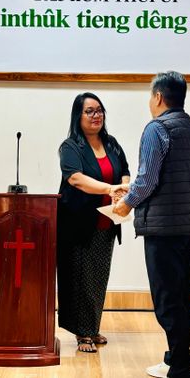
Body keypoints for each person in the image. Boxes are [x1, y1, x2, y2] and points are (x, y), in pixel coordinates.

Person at [113, 71, 190, 378]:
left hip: (164, 229)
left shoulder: (157, 128)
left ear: (158, 97)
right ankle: (175, 357)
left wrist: (126, 203)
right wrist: (133, 190)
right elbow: (172, 178)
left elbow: (148, 179)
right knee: (181, 294)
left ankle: (180, 368)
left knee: (167, 299)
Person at [57, 92, 130, 353]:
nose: (96, 115)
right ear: (78, 116)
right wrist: (110, 188)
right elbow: (75, 179)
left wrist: (123, 189)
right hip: (78, 223)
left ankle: (92, 326)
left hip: (107, 222)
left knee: (98, 277)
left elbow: (124, 171)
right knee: (79, 278)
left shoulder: (111, 144)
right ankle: (82, 333)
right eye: (89, 111)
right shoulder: (70, 147)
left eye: (99, 110)